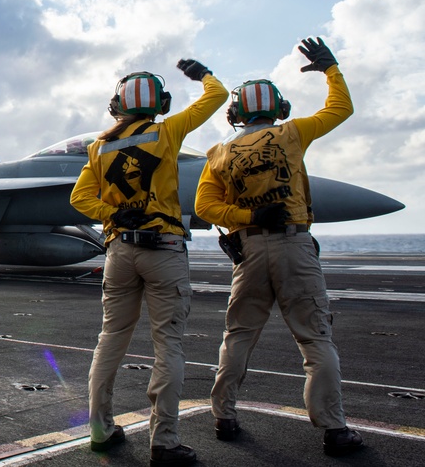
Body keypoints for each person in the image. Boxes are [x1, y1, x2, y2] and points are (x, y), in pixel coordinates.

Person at [194, 37, 363, 457]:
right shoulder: (292, 133)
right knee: (315, 339)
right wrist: (330, 69)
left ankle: (224, 417)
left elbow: (204, 206)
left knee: (238, 334)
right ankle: (335, 430)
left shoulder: (218, 152)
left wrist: (248, 218)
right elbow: (340, 109)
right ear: (280, 109)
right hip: (294, 246)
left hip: (248, 252)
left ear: (235, 115)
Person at [70, 59, 228, 467]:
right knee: (168, 345)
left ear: (115, 105)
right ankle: (165, 441)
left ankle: (101, 430)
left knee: (110, 341)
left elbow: (78, 199)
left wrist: (113, 214)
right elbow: (218, 97)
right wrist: (202, 74)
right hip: (164, 249)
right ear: (161, 103)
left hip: (119, 251)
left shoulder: (99, 146)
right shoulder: (167, 130)